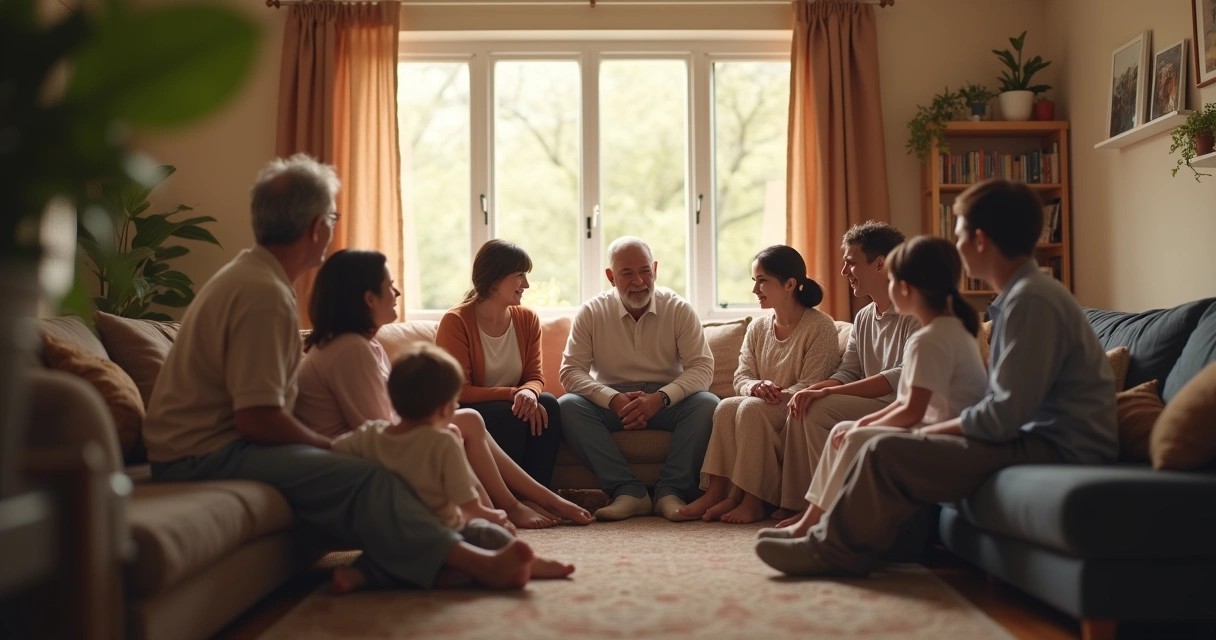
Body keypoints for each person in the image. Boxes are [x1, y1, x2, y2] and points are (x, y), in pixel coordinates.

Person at [143, 154, 535, 591]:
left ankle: (441, 555)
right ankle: (475, 561)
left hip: (203, 447)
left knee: (387, 460)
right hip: (200, 454)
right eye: (332, 218)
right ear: (316, 227)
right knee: (370, 475)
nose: (332, 227)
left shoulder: (255, 277)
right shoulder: (263, 294)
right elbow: (256, 418)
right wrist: (334, 449)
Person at [755, 179, 1118, 577]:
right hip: (1036, 436)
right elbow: (1003, 406)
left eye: (959, 234)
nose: (957, 246)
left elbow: (1002, 416)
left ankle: (832, 550)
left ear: (980, 240)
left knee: (884, 449)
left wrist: (925, 432)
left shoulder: (1031, 301)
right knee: (877, 441)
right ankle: (830, 535)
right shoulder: (1022, 297)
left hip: (1058, 445)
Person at [295, 248, 592, 530]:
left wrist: (526, 392)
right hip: (349, 461)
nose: (397, 293)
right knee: (467, 422)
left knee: (480, 419)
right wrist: (441, 426)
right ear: (369, 298)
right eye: (390, 286)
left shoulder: (365, 345)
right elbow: (377, 429)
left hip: (373, 443)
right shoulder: (351, 350)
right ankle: (505, 508)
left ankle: (525, 502)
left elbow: (382, 423)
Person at [760, 235, 987, 540]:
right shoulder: (935, 327)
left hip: (938, 430)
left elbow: (909, 403)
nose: (844, 271)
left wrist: (850, 414)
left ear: (904, 286)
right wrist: (818, 390)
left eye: (850, 262)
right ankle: (812, 515)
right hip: (925, 421)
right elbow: (857, 375)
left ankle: (818, 523)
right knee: (839, 424)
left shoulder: (928, 335)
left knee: (851, 433)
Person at [328, 344, 575, 593]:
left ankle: (359, 576)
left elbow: (333, 452)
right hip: (440, 535)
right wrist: (493, 516)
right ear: (445, 408)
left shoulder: (370, 434)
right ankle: (530, 564)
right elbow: (467, 503)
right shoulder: (443, 443)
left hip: (386, 535)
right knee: (488, 535)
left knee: (382, 558)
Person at [558, 236, 719, 522]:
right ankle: (629, 491)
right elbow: (570, 371)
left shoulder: (678, 308)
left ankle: (671, 492)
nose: (638, 281)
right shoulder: (591, 312)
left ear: (655, 269)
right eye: (627, 273)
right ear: (611, 277)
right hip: (611, 402)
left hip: (667, 401)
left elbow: (702, 368)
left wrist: (660, 398)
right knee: (567, 406)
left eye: (645, 271)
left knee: (707, 403)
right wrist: (613, 399)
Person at [678, 245, 841, 524]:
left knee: (750, 409)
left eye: (762, 280)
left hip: (796, 409)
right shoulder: (757, 328)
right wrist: (755, 387)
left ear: (790, 284)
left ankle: (753, 503)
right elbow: (741, 377)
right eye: (754, 280)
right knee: (726, 407)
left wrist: (774, 393)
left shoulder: (821, 327)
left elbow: (813, 383)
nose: (755, 289)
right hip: (764, 404)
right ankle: (716, 493)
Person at [778, 222, 920, 523]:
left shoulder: (915, 312)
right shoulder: (864, 316)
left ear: (879, 264)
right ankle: (801, 505)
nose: (844, 271)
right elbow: (849, 371)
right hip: (872, 402)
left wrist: (828, 392)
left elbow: (901, 376)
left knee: (818, 407)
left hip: (900, 405)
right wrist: (812, 389)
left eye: (851, 263)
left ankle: (830, 510)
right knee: (802, 404)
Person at [435, 240, 562, 491]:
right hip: (468, 410)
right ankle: (509, 497)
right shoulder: (456, 321)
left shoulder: (527, 319)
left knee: (547, 404)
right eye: (520, 276)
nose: (526, 284)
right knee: (512, 412)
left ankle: (538, 494)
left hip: (511, 405)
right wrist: (514, 394)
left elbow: (535, 376)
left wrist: (529, 392)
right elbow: (459, 391)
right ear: (495, 280)